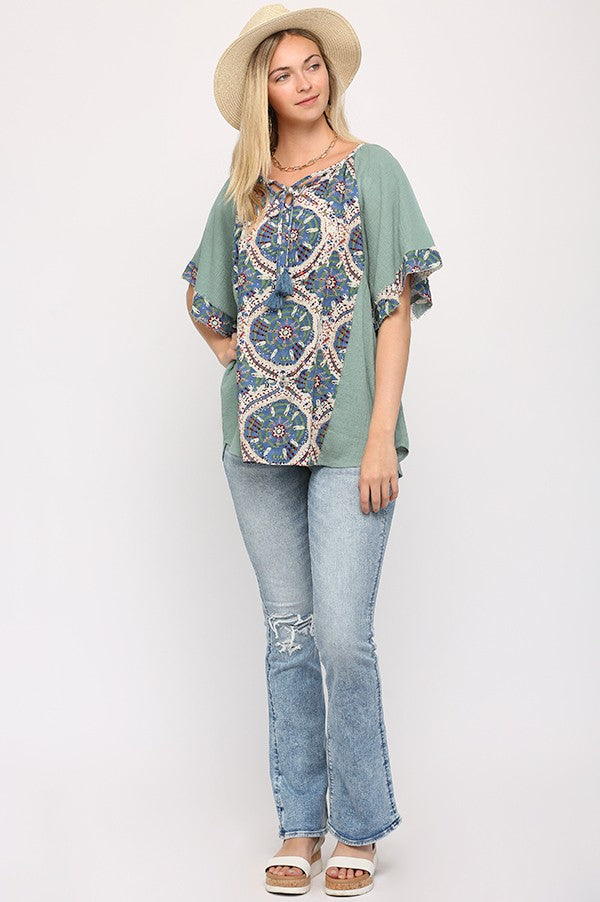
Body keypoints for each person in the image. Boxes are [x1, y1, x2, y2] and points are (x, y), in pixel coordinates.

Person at [180, 4, 443, 895]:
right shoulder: (243, 190)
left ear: (330, 73)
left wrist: (380, 437)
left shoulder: (373, 170)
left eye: (312, 65)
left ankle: (358, 827)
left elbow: (395, 308)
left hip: (350, 441)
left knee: (342, 637)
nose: (303, 82)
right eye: (284, 72)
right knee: (289, 634)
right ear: (263, 89)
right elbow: (203, 296)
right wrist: (240, 360)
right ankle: (300, 823)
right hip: (255, 443)